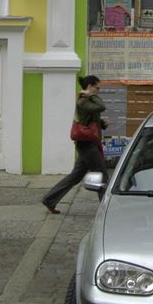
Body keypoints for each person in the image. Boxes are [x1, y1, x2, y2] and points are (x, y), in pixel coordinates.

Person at [42, 74, 108, 214]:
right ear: (89, 86)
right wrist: (90, 95)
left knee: (75, 176)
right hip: (87, 145)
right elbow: (102, 106)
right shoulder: (84, 101)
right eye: (97, 88)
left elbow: (88, 120)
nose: (98, 90)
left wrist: (101, 124)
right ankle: (107, 209)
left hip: (88, 143)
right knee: (102, 176)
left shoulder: (86, 101)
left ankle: (49, 199)